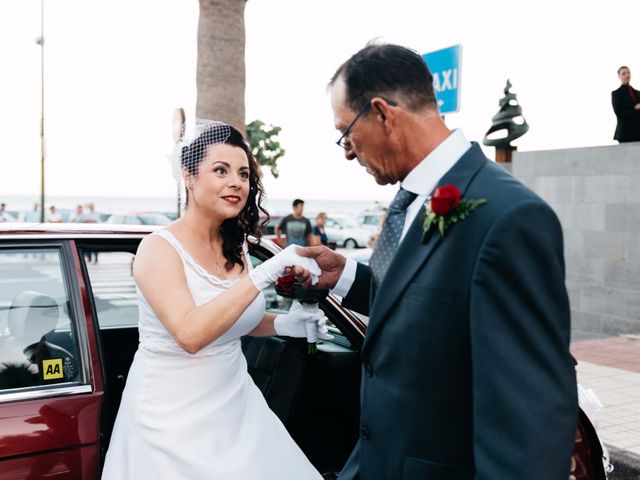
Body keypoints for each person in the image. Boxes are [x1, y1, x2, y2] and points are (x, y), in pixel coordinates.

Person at [298, 43, 578, 480]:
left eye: (345, 133)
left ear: (383, 114)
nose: (348, 152)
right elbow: (422, 307)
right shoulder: (407, 200)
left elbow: (528, 418)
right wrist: (347, 275)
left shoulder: (509, 217)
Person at [101, 121, 326, 479]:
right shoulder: (158, 249)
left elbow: (230, 318)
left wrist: (282, 323)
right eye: (220, 170)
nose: (236, 182)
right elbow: (191, 332)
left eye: (243, 173)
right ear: (188, 177)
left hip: (237, 406)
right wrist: (264, 274)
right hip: (171, 420)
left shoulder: (234, 245)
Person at [612, 65, 640, 143]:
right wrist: (636, 109)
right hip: (625, 134)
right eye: (623, 73)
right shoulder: (616, 93)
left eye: (628, 73)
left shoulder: (638, 93)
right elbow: (619, 113)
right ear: (619, 76)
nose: (627, 75)